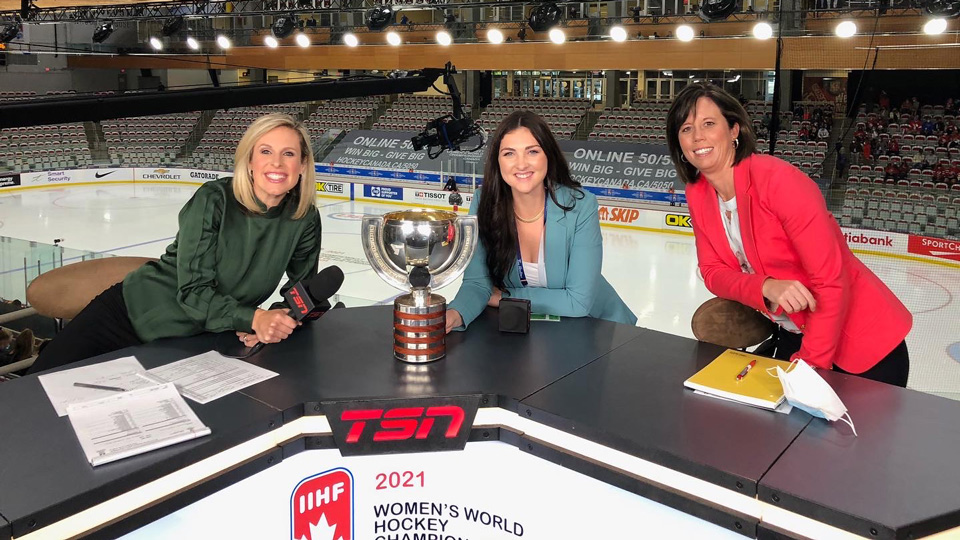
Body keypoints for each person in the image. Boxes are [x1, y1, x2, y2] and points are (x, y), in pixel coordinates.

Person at [27, 113, 322, 373]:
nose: (276, 163)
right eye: (266, 151)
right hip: (130, 316)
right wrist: (255, 317)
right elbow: (193, 292)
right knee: (33, 393)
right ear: (249, 161)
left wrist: (276, 322)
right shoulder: (215, 200)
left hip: (204, 336)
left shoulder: (304, 218)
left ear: (303, 164)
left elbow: (303, 290)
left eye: (289, 154)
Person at [665, 83, 911, 387]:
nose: (697, 136)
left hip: (863, 346)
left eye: (709, 123)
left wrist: (809, 370)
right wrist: (766, 287)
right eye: (686, 128)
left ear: (734, 130)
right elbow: (712, 272)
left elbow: (830, 282)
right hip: (795, 334)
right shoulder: (698, 192)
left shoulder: (779, 181)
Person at [445, 111, 636, 332]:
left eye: (532, 151)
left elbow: (578, 301)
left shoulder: (580, 206)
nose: (521, 164)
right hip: (532, 331)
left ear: (548, 155)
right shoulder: (483, 202)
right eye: (509, 154)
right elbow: (477, 283)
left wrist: (505, 297)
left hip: (596, 329)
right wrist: (456, 313)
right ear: (497, 161)